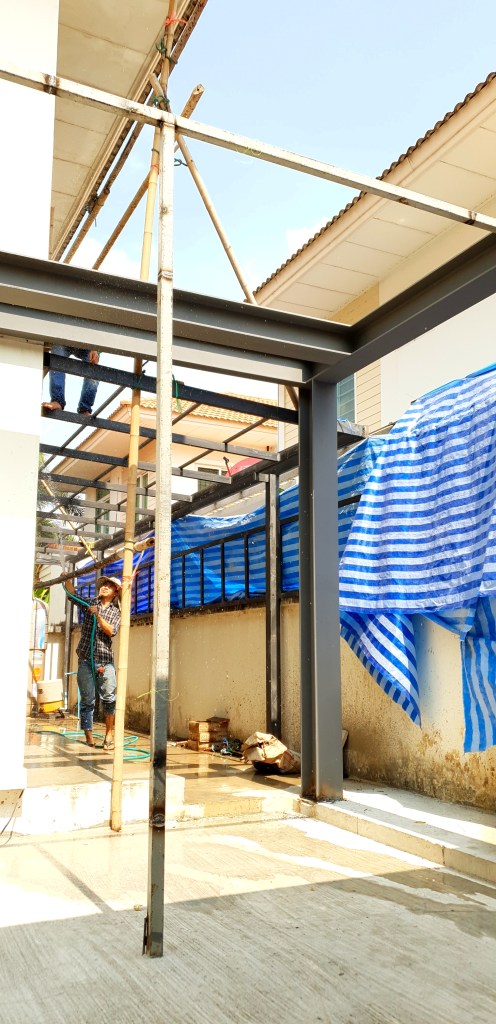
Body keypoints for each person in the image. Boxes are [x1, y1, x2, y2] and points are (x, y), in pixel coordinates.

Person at [65, 575, 121, 750]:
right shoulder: (90, 603)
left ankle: (109, 735)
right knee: (87, 700)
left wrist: (98, 615)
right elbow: (72, 594)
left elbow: (111, 631)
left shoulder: (116, 612)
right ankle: (89, 736)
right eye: (104, 584)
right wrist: (67, 578)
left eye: (109, 586)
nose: (105, 587)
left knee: (109, 699)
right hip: (85, 660)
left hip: (104, 661)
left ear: (115, 592)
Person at [42, 344, 100, 415]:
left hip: (86, 345)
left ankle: (85, 409)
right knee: (57, 355)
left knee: (94, 365)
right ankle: (57, 401)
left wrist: (95, 349)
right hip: (64, 341)